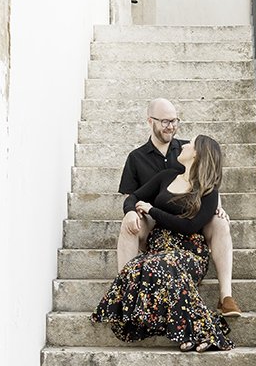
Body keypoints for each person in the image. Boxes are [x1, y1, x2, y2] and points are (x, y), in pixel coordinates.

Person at [93, 135, 234, 352]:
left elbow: (189, 226)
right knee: (143, 265)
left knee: (167, 264)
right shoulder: (167, 177)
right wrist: (130, 211)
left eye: (190, 144)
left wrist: (152, 210)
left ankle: (204, 330)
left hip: (189, 252)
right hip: (158, 249)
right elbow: (133, 197)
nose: (184, 145)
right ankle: (193, 331)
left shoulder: (208, 192)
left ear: (197, 154)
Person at [118, 98, 240, 317]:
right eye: (165, 121)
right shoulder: (136, 158)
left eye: (174, 121)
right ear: (150, 121)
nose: (171, 126)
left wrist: (217, 206)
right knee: (129, 224)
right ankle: (124, 292)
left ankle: (226, 296)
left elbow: (207, 181)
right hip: (153, 220)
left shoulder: (189, 149)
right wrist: (130, 212)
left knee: (220, 222)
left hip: (189, 220)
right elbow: (132, 196)